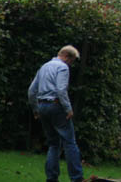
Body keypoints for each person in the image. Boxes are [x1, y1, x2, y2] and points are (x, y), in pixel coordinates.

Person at [28, 45, 84, 182]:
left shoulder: (44, 67)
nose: (71, 64)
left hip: (42, 106)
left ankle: (51, 178)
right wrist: (68, 109)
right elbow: (61, 90)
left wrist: (36, 110)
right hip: (56, 106)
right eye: (72, 61)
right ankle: (76, 178)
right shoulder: (63, 67)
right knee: (70, 143)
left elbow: (31, 91)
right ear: (66, 56)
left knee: (53, 144)